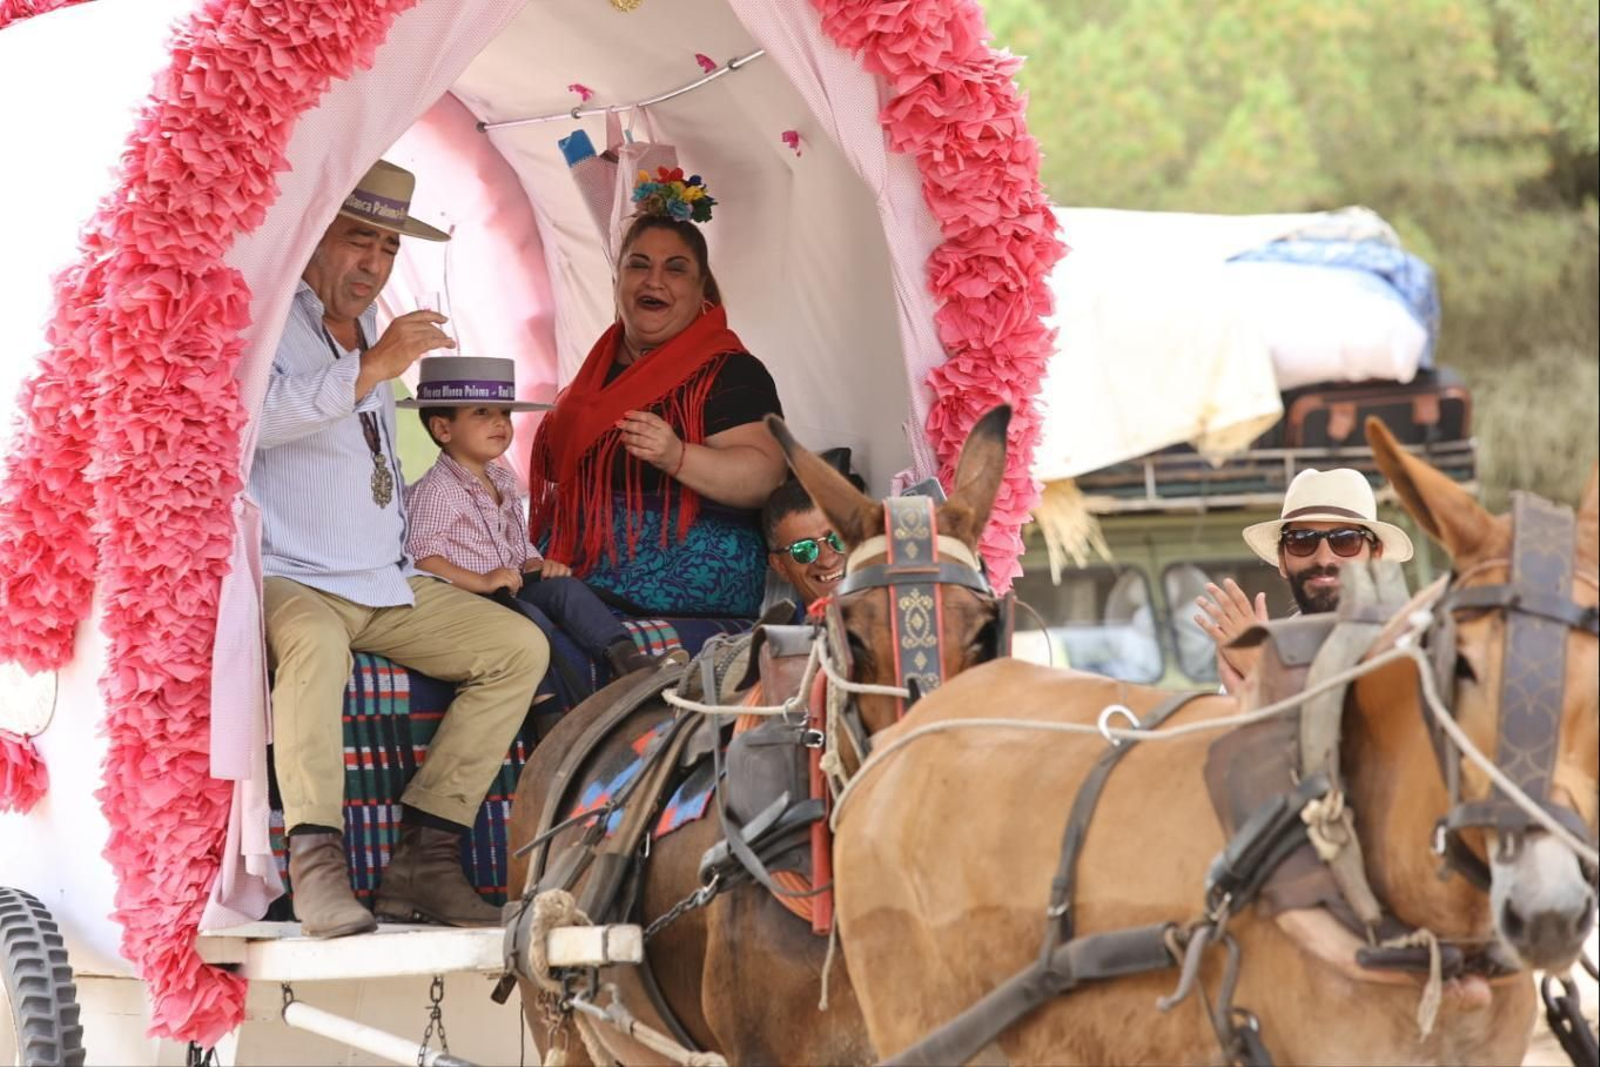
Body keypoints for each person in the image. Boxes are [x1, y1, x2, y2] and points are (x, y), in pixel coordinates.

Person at [252, 160, 549, 939]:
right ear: (317, 235)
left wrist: (373, 360)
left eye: (387, 247)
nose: (374, 263)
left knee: (518, 647)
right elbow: (253, 419)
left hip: (381, 579)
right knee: (315, 641)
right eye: (360, 240)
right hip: (292, 573)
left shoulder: (373, 320)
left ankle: (426, 855)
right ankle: (315, 863)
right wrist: (373, 368)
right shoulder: (270, 315)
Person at [527, 172, 787, 619]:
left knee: (545, 616)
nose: (654, 280)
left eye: (676, 268)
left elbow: (765, 476)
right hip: (585, 559)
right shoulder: (598, 369)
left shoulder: (730, 370)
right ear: (618, 278)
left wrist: (676, 456)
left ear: (701, 287)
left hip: (690, 566)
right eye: (639, 264)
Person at [401, 355, 662, 699]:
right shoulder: (436, 490)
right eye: (482, 413)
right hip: (468, 598)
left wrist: (536, 564)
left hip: (510, 586)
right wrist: (482, 581)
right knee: (527, 620)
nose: (500, 424)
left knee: (566, 590)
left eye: (505, 414)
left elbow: (519, 545)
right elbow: (422, 559)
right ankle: (547, 706)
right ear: (442, 429)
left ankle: (625, 659)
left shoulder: (502, 480)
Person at [1194, 467, 1413, 690]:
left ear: (1376, 555)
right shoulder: (1256, 655)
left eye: (1346, 540)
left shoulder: (1411, 649)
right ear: (1282, 559)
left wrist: (1263, 675)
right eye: (1302, 541)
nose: (1324, 559)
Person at [761, 475, 855, 616]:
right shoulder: (769, 638)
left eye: (837, 538)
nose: (827, 561)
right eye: (804, 550)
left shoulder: (899, 612)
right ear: (781, 566)